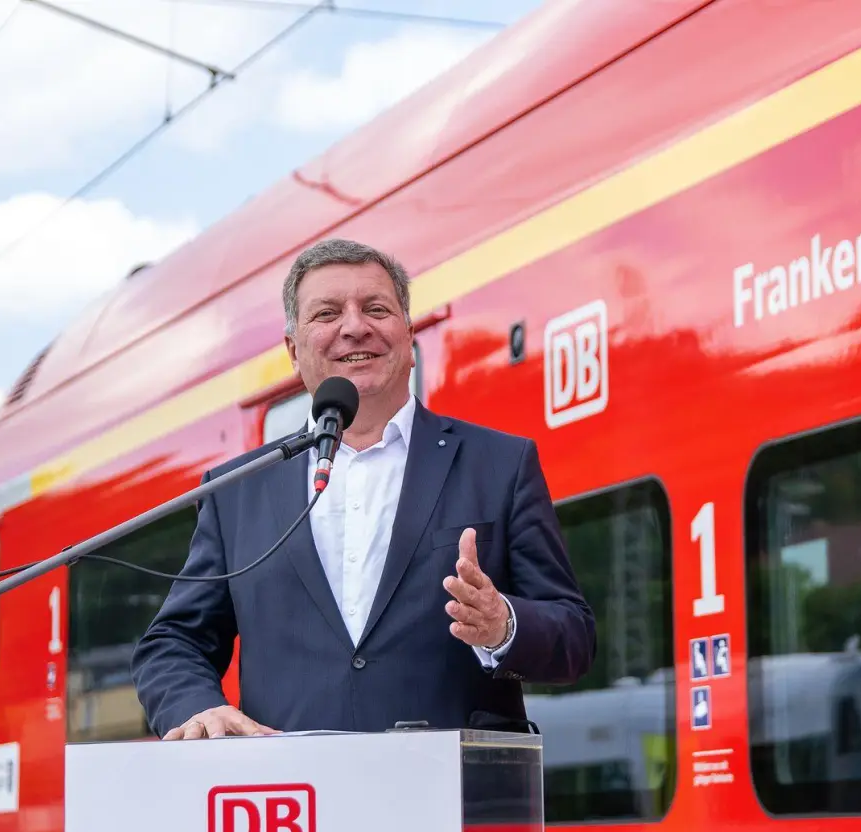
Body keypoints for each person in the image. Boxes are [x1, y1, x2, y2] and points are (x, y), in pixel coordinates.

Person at [131, 237, 597, 745]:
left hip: (458, 804)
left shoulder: (500, 465)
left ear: (408, 334)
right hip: (292, 808)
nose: (355, 326)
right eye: (327, 313)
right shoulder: (237, 492)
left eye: (376, 308)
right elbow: (173, 643)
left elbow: (573, 635)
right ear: (293, 350)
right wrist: (200, 707)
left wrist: (502, 625)